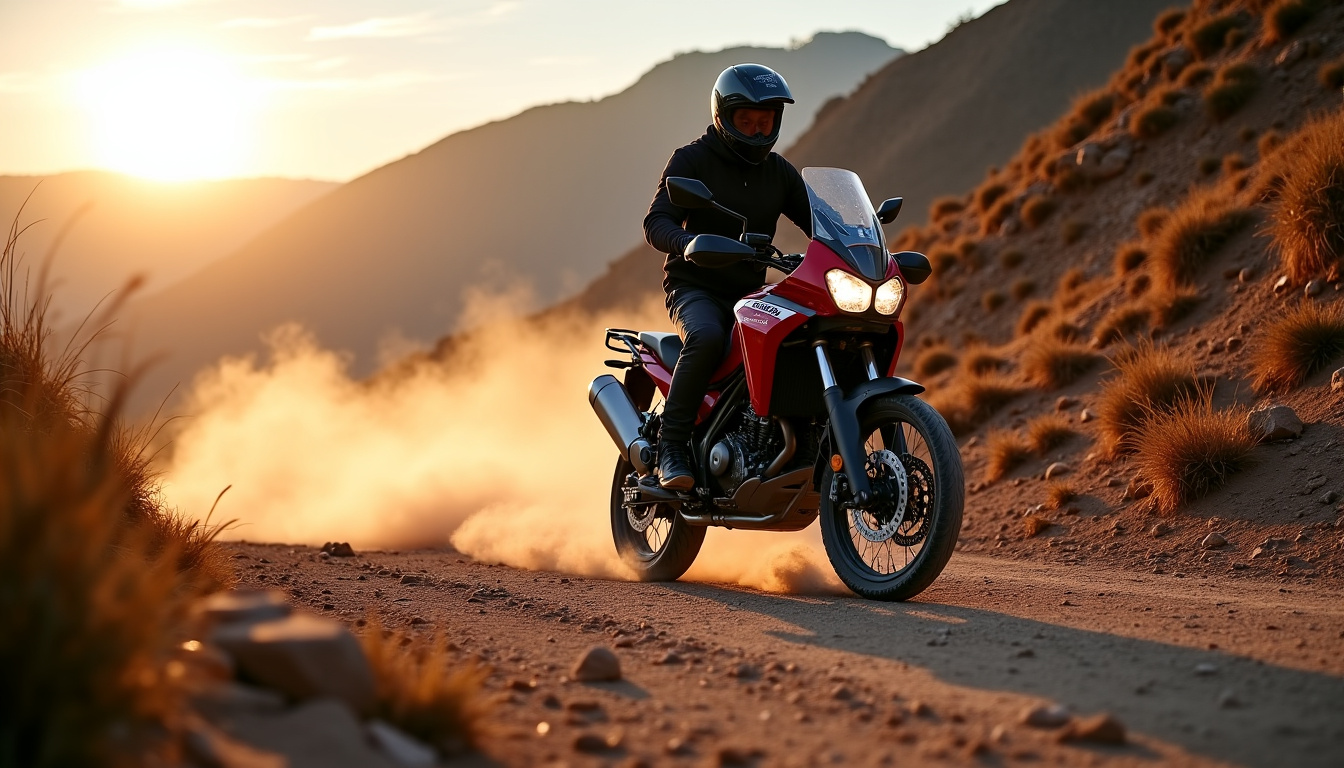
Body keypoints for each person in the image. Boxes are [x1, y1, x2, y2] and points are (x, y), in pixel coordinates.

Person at [643, 63, 813, 490]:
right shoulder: (691, 160)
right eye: (747, 122)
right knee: (705, 338)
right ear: (724, 117)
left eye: (766, 122)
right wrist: (686, 243)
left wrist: (861, 246)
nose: (757, 132)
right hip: (696, 287)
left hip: (751, 292)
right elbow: (656, 222)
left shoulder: (780, 173)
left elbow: (822, 223)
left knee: (805, 335)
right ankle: (673, 446)